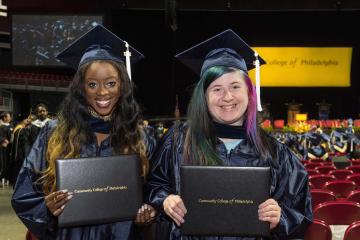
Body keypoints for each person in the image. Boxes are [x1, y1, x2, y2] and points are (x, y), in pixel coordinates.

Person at [146, 29, 312, 239]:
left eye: (235, 86)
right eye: (216, 89)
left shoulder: (274, 151)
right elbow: (154, 185)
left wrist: (280, 218)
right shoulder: (178, 141)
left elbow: (300, 211)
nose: (227, 97)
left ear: (249, 93)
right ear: (203, 96)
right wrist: (165, 200)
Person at [12, 24, 156, 240]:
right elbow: (24, 194)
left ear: (122, 86)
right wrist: (47, 208)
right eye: (92, 84)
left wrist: (148, 211)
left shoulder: (142, 138)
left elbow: (155, 191)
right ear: (80, 88)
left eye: (110, 83)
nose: (102, 92)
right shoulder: (54, 134)